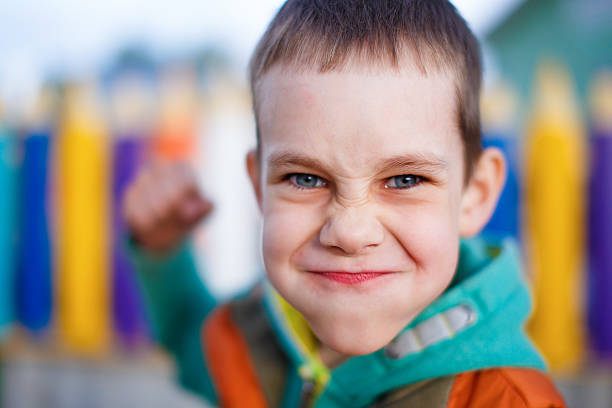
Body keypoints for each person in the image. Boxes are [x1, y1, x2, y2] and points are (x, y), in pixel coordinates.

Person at [123, 1, 567, 406]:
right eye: (305, 178)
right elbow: (192, 341)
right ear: (259, 187)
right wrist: (162, 251)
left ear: (476, 194)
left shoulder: (504, 400)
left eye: (405, 179)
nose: (350, 233)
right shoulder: (256, 334)